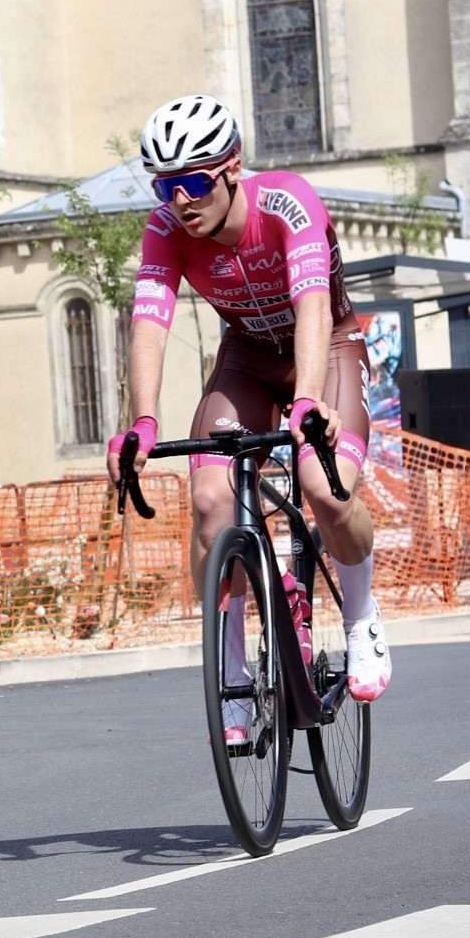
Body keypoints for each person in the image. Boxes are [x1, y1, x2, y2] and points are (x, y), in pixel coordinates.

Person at [108, 94, 391, 730]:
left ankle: (361, 616)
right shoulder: (165, 231)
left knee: (324, 487)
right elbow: (149, 323)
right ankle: (231, 667)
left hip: (327, 347)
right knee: (211, 501)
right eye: (165, 187)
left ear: (232, 167)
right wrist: (143, 422)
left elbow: (312, 305)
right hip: (248, 358)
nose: (180, 201)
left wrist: (309, 400)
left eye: (193, 183)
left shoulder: (288, 202)